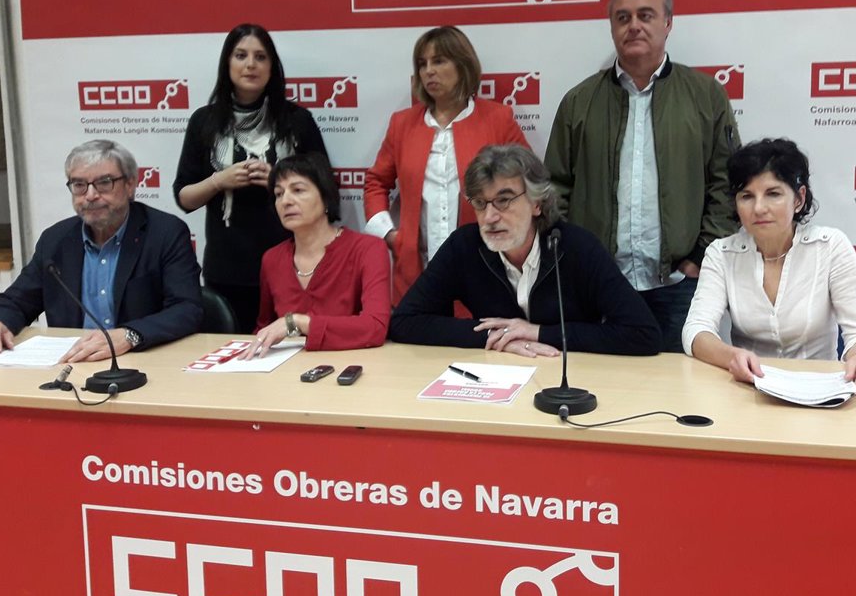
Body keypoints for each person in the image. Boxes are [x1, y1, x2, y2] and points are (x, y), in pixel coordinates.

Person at [545, 0, 740, 352]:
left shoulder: (706, 96)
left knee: (680, 384)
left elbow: (727, 183)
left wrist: (700, 255)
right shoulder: (579, 101)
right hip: (598, 286)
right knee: (598, 381)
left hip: (678, 285)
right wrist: (574, 260)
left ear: (668, 22)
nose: (633, 25)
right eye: (623, 17)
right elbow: (554, 188)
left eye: (645, 15)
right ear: (612, 27)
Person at [389, 144, 661, 356]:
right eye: (481, 203)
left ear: (537, 204)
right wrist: (496, 337)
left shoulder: (577, 248)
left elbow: (643, 333)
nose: (490, 217)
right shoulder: (464, 247)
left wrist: (538, 333)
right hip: (496, 377)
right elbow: (405, 322)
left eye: (504, 200)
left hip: (570, 376)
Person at [0, 140, 202, 361]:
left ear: (130, 185)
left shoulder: (165, 233)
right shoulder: (56, 240)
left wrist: (130, 335)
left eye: (104, 183)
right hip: (73, 364)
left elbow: (187, 308)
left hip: (142, 361)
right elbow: (17, 301)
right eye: (79, 185)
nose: (90, 195)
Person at [682, 138, 856, 389]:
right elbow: (696, 331)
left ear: (798, 199)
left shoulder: (830, 246)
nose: (758, 208)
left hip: (820, 389)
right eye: (746, 196)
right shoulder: (721, 253)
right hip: (749, 389)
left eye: (773, 194)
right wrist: (731, 356)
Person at [174, 23, 327, 328]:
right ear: (227, 63)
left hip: (294, 262)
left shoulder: (297, 120)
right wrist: (220, 180)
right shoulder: (205, 121)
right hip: (228, 270)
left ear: (272, 67)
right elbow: (184, 198)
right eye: (241, 55)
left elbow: (326, 190)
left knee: (294, 348)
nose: (250, 65)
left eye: (260, 57)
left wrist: (279, 180)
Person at [365, 25, 530, 303]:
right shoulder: (402, 123)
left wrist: (509, 234)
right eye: (422, 64)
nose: (428, 71)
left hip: (485, 267)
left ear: (462, 64)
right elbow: (375, 183)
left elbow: (529, 183)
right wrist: (389, 234)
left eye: (439, 61)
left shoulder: (498, 119)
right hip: (416, 270)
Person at [246, 154, 391, 355]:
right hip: (287, 369)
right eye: (279, 194)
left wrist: (297, 322)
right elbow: (264, 328)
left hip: (352, 365)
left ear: (325, 197)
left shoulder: (368, 249)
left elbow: (375, 327)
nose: (286, 201)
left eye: (298, 190)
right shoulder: (272, 259)